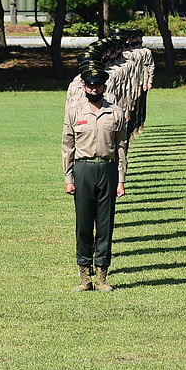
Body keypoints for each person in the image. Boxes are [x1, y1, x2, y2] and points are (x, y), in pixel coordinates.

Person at [62, 63, 128, 292]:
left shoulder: (116, 112)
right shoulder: (74, 111)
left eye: (97, 85)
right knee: (83, 224)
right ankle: (84, 275)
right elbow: (67, 146)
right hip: (83, 169)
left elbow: (121, 147)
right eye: (90, 85)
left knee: (105, 224)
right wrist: (68, 178)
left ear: (104, 87)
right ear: (84, 86)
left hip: (107, 169)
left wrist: (121, 179)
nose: (93, 89)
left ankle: (102, 275)